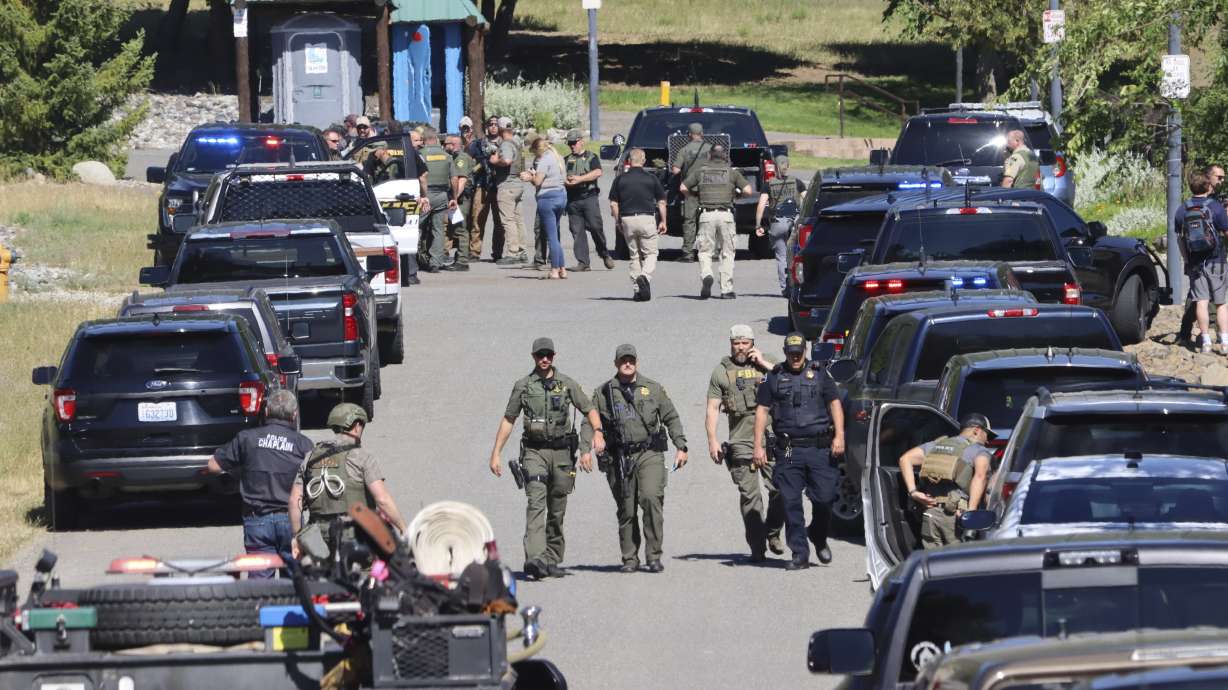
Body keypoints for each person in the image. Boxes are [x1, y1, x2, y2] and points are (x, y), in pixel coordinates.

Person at [489, 337, 605, 580]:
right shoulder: (523, 386)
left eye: (548, 355)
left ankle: (551, 558)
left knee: (557, 507)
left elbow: (589, 408)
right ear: (533, 357)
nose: (544, 359)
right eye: (540, 355)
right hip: (534, 452)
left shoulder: (567, 384)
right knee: (536, 502)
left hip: (562, 453)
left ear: (554, 356)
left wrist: (598, 432)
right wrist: (496, 453)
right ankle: (534, 557)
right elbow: (509, 419)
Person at [581, 344, 688, 573]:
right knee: (626, 508)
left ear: (637, 362)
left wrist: (681, 445)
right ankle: (630, 558)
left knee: (651, 499)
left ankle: (653, 555)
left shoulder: (653, 388)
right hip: (619, 456)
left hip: (649, 453)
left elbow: (671, 417)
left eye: (631, 360)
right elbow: (589, 420)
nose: (627, 364)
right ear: (616, 364)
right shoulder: (604, 392)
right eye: (622, 361)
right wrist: (585, 449)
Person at [752, 332, 845, 570]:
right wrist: (758, 446)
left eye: (799, 353)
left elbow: (834, 403)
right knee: (790, 502)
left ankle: (818, 534)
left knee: (825, 498)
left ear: (805, 351)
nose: (795, 357)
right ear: (785, 353)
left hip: (819, 448)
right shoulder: (774, 377)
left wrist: (839, 436)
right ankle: (799, 554)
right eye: (791, 353)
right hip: (789, 449)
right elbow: (762, 411)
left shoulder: (820, 373)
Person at [205, 389, 313, 578]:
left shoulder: (247, 439)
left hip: (257, 521)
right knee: (295, 585)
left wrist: (240, 471)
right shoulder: (304, 445)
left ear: (266, 412)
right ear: (294, 415)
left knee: (260, 588)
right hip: (291, 522)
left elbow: (213, 465)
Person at [289, 403, 408, 563]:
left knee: (322, 578)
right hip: (355, 534)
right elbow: (382, 500)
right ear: (357, 426)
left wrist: (298, 536)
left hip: (318, 537)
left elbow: (294, 501)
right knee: (362, 580)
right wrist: (402, 527)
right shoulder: (362, 457)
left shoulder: (310, 457)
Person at [705, 325, 784, 562]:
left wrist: (764, 364)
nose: (740, 347)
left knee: (781, 489)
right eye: (736, 343)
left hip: (771, 437)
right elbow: (712, 408)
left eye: (744, 343)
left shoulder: (769, 363)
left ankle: (773, 532)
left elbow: (789, 379)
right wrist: (713, 440)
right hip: (741, 440)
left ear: (752, 343)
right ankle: (757, 547)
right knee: (750, 496)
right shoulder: (721, 371)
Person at [897, 414, 993, 549]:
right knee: (955, 562)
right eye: (987, 434)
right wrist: (971, 513)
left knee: (931, 561)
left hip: (930, 512)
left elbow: (904, 459)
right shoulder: (979, 451)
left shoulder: (936, 445)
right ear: (976, 430)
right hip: (956, 516)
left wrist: (913, 492)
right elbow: (980, 477)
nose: (988, 440)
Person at [680, 145, 762, 300]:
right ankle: (726, 289)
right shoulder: (731, 172)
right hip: (726, 215)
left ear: (709, 156)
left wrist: (694, 195)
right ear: (725, 156)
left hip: (706, 215)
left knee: (704, 250)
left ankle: (707, 274)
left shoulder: (700, 172)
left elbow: (683, 186)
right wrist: (735, 197)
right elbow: (748, 191)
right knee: (727, 252)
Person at [1174, 169, 1228, 353]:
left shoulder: (1182, 209)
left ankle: (1205, 341)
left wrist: (1186, 259)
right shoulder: (1215, 206)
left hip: (1196, 262)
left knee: (1201, 302)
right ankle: (1225, 343)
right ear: (1207, 185)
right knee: (1220, 303)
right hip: (1216, 260)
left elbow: (1180, 239)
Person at [608, 147, 667, 301]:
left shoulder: (620, 179)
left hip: (627, 219)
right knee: (651, 253)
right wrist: (663, 221)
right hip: (646, 218)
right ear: (643, 160)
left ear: (629, 161)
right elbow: (661, 202)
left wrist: (617, 221)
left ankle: (637, 291)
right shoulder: (651, 178)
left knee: (634, 256)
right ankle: (645, 276)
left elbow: (613, 204)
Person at [755, 155, 807, 296]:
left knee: (781, 257)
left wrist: (758, 224)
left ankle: (785, 289)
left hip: (778, 223)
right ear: (788, 166)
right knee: (798, 255)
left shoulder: (769, 184)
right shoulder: (797, 182)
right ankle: (800, 285)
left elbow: (761, 205)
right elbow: (808, 200)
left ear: (776, 168)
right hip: (795, 223)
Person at [563, 129, 614, 271]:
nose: (572, 146)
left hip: (589, 197)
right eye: (570, 144)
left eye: (574, 143)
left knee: (595, 227)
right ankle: (583, 262)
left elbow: (598, 172)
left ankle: (604, 253)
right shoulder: (566, 160)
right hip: (573, 199)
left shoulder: (592, 157)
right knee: (577, 231)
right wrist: (566, 182)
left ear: (581, 141)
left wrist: (579, 179)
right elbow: (561, 176)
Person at [521, 136, 569, 280]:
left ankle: (554, 270)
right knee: (555, 235)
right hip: (561, 196)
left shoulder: (544, 160)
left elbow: (538, 181)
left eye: (534, 153)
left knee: (552, 237)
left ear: (538, 150)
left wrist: (529, 176)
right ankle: (562, 268)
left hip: (548, 199)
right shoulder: (558, 157)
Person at [672, 123, 711, 262]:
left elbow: (676, 170)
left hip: (690, 192)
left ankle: (688, 254)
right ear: (702, 133)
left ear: (689, 134)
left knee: (689, 221)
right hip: (709, 191)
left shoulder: (684, 149)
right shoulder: (710, 149)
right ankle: (712, 252)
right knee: (709, 222)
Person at [490, 126, 527, 265]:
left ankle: (512, 252)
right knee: (519, 220)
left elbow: (506, 161)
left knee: (508, 220)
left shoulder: (505, 144)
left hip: (507, 185)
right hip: (518, 184)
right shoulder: (517, 143)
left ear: (501, 131)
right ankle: (522, 251)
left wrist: (494, 161)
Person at [467, 116, 502, 262]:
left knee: (499, 222)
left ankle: (498, 253)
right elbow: (469, 160)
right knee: (477, 219)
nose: (493, 127)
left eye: (496, 124)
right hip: (482, 185)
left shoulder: (505, 144)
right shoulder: (479, 144)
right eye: (491, 124)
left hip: (499, 186)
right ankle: (474, 251)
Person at [419, 128, 454, 273]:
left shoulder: (420, 155)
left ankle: (416, 260)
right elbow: (454, 179)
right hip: (442, 195)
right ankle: (436, 262)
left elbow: (421, 177)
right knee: (438, 229)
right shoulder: (447, 156)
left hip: (425, 195)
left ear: (424, 140)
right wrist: (454, 197)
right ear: (436, 139)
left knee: (417, 227)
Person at [443, 133, 475, 271]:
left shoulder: (461, 158)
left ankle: (462, 261)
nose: (446, 146)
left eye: (449, 144)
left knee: (460, 228)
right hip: (458, 199)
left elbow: (461, 181)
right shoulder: (455, 158)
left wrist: (454, 199)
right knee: (455, 228)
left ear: (456, 145)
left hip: (461, 200)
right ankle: (459, 258)